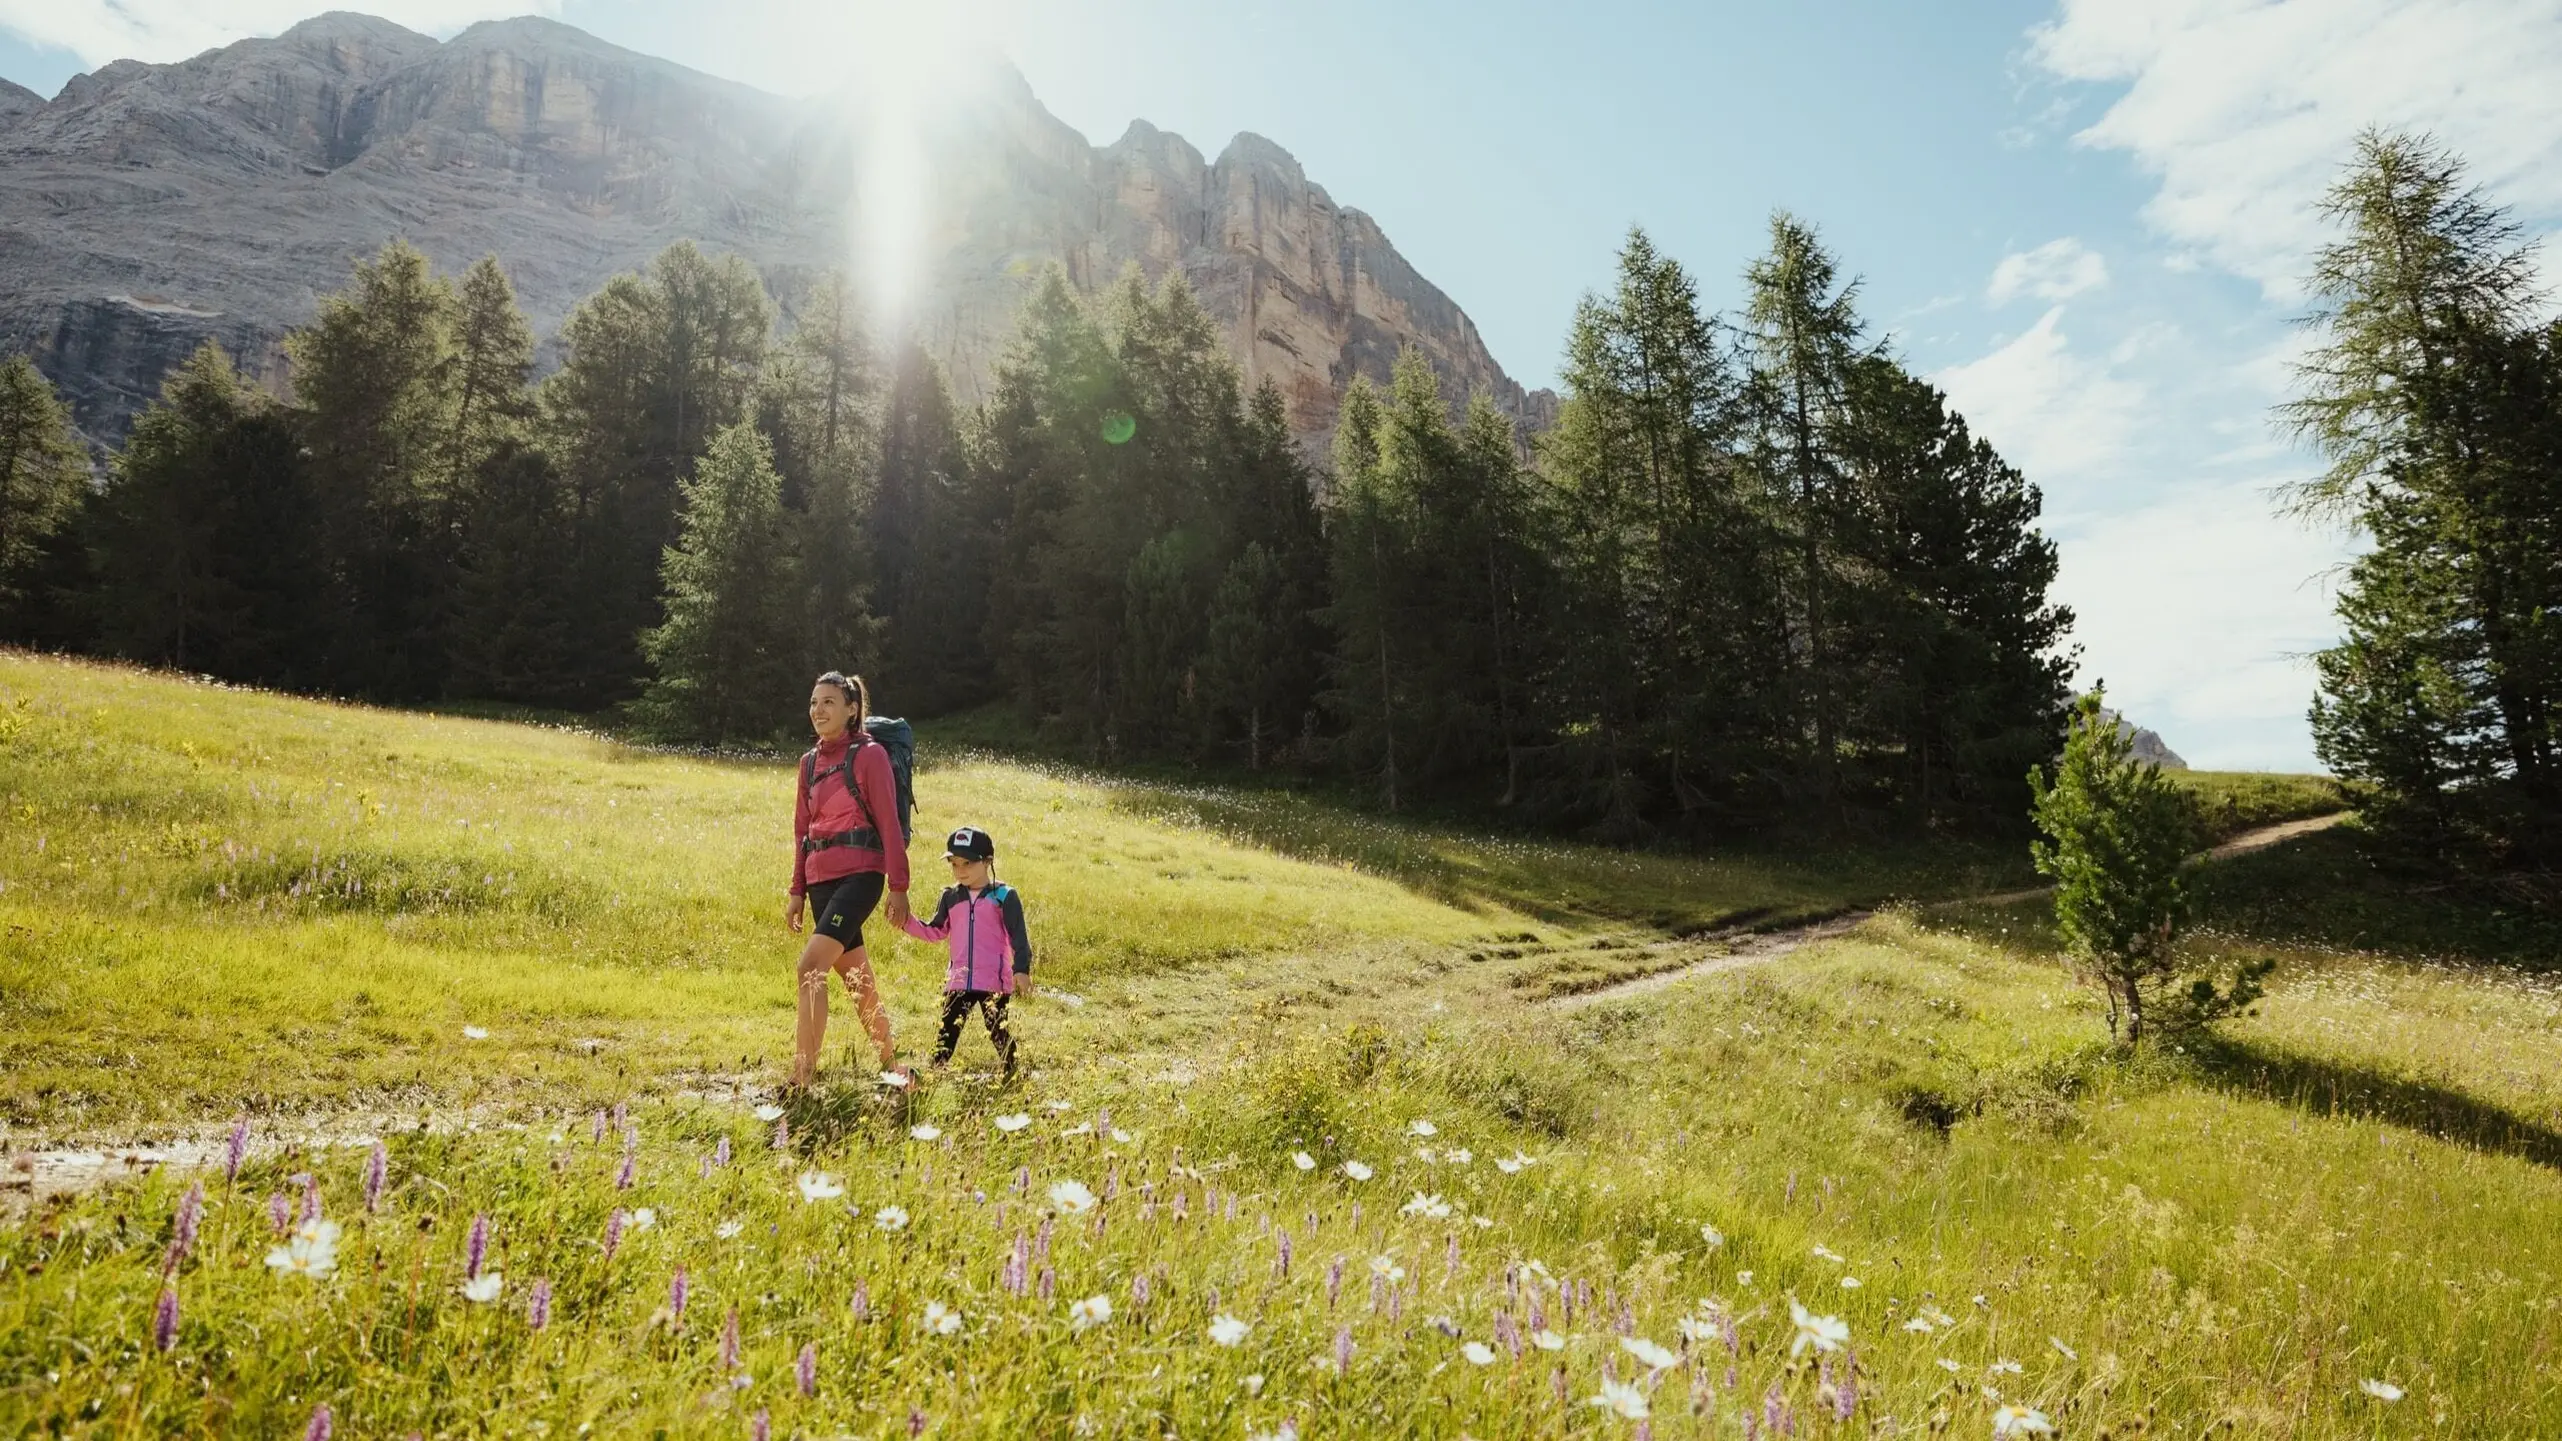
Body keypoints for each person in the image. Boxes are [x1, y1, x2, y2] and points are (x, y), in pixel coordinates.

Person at [786, 671, 912, 1089]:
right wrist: (796, 892)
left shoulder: (870, 755)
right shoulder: (808, 763)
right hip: (821, 879)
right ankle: (894, 1064)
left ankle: (802, 1076)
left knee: (810, 967)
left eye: (828, 702)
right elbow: (802, 831)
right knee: (857, 978)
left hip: (860, 876)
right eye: (813, 703)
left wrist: (899, 886)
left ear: (852, 709)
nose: (818, 710)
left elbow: (891, 826)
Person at [897, 824, 1034, 1078]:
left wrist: (1021, 970)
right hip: (958, 979)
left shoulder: (1004, 895)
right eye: (954, 864)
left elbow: (1019, 937)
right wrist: (906, 922)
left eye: (968, 863)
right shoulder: (951, 896)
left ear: (987, 861)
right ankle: (936, 1072)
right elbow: (935, 931)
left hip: (993, 980)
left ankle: (1012, 1071)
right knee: (947, 1028)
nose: (960, 871)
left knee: (997, 1029)